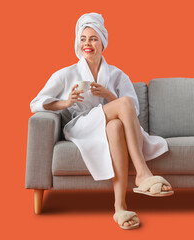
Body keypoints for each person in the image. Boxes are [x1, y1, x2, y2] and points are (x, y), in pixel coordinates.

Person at [30, 13, 174, 230]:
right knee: (123, 103)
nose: (87, 44)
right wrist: (66, 102)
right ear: (78, 43)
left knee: (116, 126)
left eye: (93, 38)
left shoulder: (117, 75)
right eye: (83, 39)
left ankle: (120, 207)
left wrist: (108, 95)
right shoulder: (66, 74)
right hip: (81, 126)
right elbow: (36, 103)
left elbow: (133, 112)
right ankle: (143, 173)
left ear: (103, 43)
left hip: (105, 127)